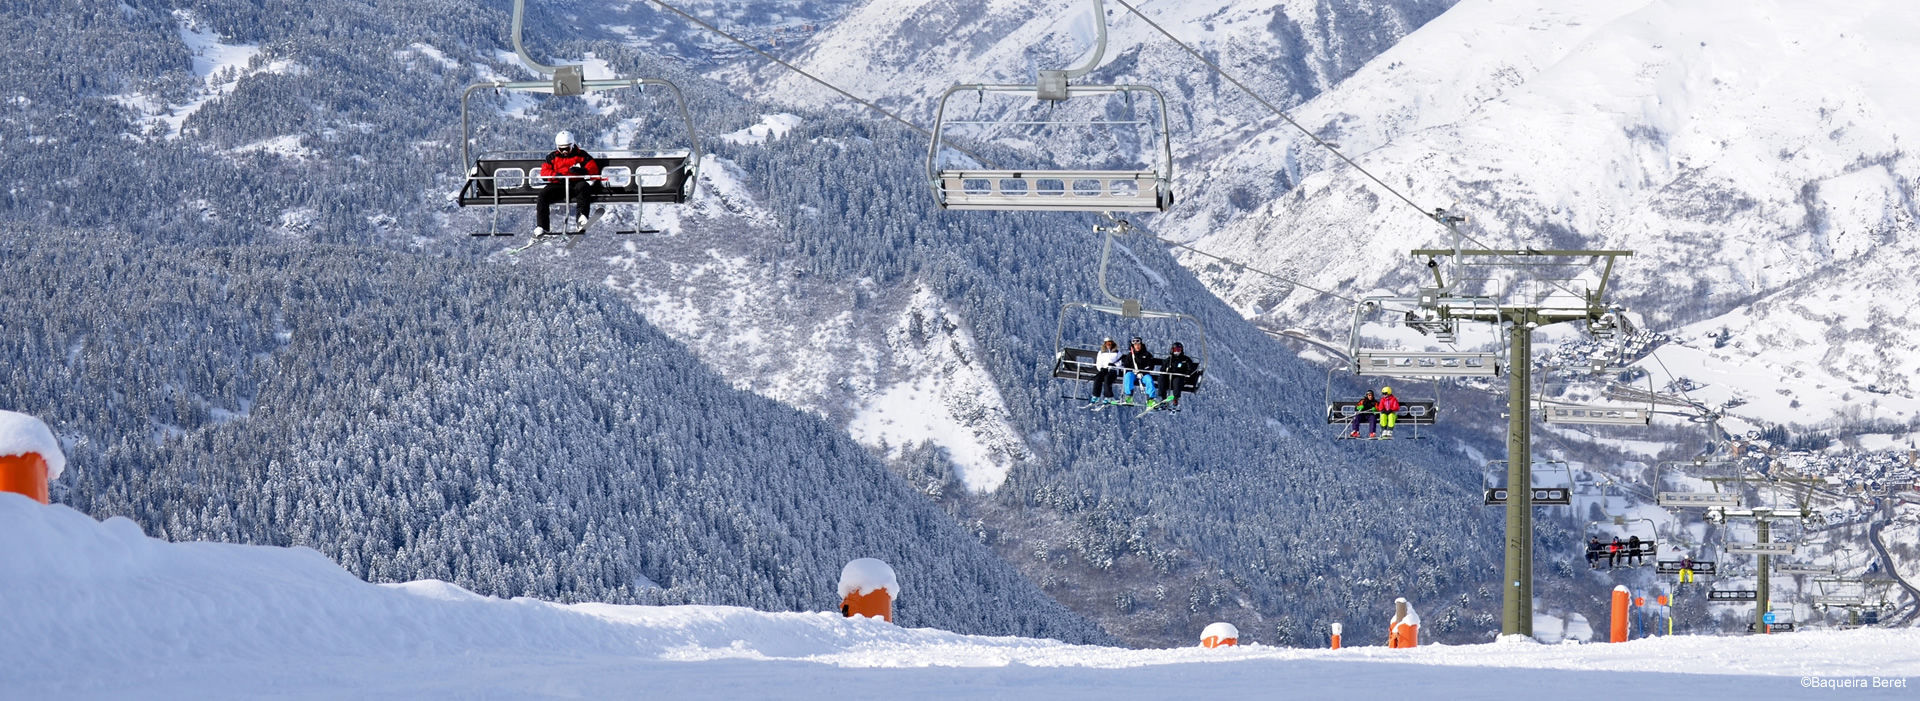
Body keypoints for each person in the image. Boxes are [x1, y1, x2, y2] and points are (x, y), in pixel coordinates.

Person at [534, 130, 602, 235]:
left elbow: (593, 169)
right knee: (543, 195)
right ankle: (542, 227)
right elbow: (544, 172)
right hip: (559, 185)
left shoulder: (581, 155)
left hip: (576, 184)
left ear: (572, 145)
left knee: (584, 188)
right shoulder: (552, 157)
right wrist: (556, 175)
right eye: (562, 149)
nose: (564, 151)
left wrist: (582, 171)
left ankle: (581, 219)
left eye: (567, 148)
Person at [1118, 337, 1159, 407]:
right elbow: (1126, 366)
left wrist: (1142, 372)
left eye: (1138, 344)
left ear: (1141, 345)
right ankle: (1129, 397)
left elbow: (1150, 365)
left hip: (1144, 375)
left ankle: (1151, 399)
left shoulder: (1147, 355)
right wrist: (1133, 371)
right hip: (1133, 374)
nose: (1137, 346)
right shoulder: (1130, 355)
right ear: (1133, 346)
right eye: (1135, 345)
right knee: (1128, 376)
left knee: (1149, 379)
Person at [1158, 341, 1199, 410]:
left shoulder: (1185, 360)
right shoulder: (1169, 359)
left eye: (1178, 350)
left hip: (1179, 378)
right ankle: (1163, 398)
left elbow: (1190, 369)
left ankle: (1175, 399)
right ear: (1172, 350)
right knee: (1161, 378)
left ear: (1181, 350)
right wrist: (1166, 371)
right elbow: (1162, 369)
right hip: (1169, 378)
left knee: (1177, 381)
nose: (1177, 352)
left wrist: (1185, 374)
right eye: (1175, 350)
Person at [1089, 338, 1122, 405]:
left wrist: (1114, 365)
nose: (1109, 345)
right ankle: (1096, 396)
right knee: (1097, 378)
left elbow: (1120, 363)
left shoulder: (1117, 352)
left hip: (1113, 370)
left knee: (1107, 379)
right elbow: (1099, 362)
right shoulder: (1101, 352)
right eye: (1107, 343)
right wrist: (1101, 368)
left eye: (1110, 343)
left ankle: (1108, 397)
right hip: (1104, 369)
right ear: (1105, 344)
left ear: (1112, 343)